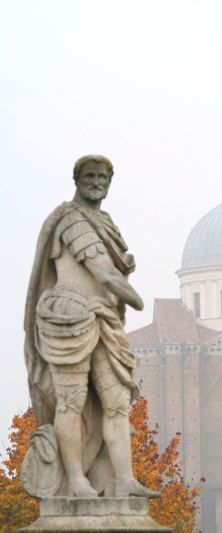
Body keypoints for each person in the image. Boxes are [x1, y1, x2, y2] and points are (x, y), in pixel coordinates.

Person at [22, 155, 156, 498]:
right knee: (71, 402)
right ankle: (76, 481)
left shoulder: (104, 220)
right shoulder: (71, 219)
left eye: (103, 177)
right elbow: (102, 271)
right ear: (77, 179)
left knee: (116, 404)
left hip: (103, 318)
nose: (97, 182)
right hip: (69, 317)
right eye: (90, 176)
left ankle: (123, 479)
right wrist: (138, 299)